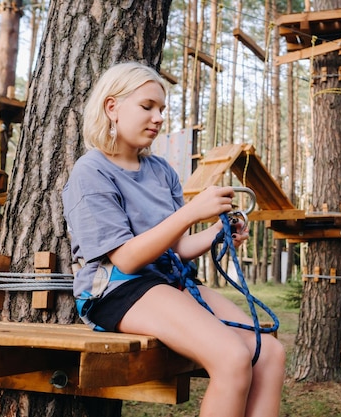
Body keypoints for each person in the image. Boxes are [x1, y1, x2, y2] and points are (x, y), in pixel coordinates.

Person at [62, 61, 285, 417]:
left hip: (168, 282)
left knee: (269, 353)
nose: (159, 117)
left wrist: (216, 233)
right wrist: (192, 212)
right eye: (147, 106)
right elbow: (125, 259)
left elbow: (177, 247)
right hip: (117, 289)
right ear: (112, 107)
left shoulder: (161, 171)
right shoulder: (91, 172)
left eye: (162, 109)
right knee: (231, 357)